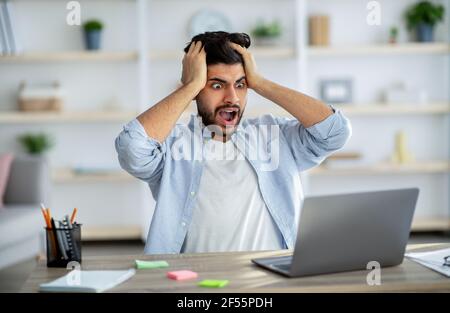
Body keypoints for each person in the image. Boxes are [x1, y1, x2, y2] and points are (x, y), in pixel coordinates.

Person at [115, 31, 352, 254]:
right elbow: (131, 149)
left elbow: (336, 132)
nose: (232, 98)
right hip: (194, 285)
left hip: (270, 283)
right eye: (216, 85)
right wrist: (189, 87)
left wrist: (260, 83)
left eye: (240, 84)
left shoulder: (273, 135)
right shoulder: (172, 145)